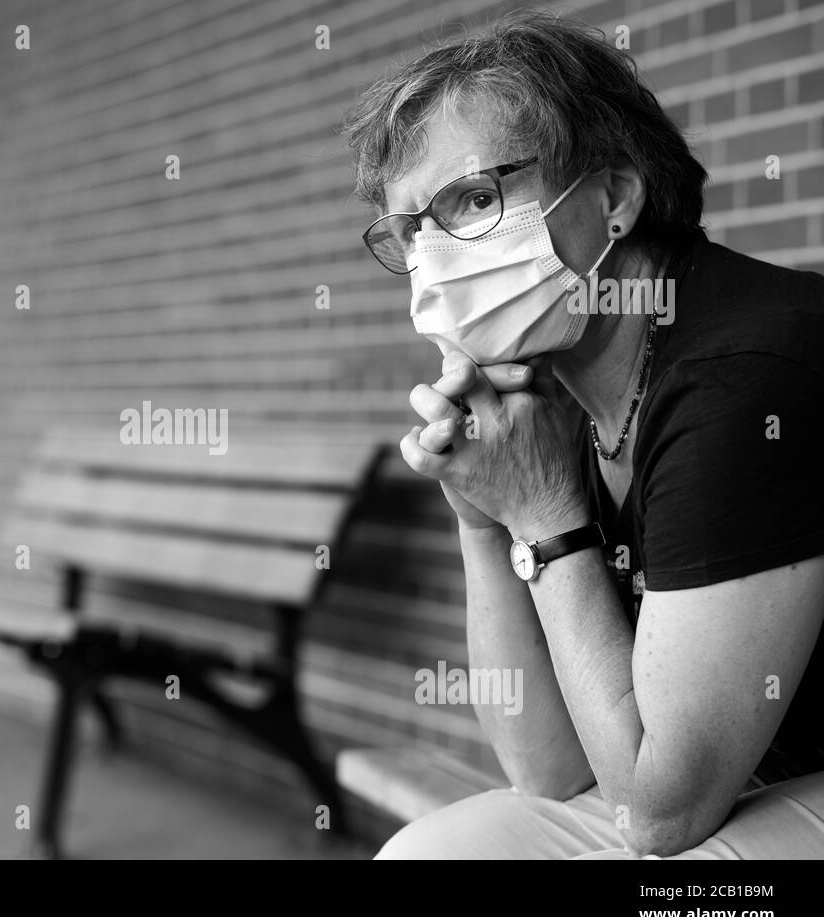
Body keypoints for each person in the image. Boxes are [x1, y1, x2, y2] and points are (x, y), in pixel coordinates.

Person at [340, 9, 824, 858]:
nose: (434, 258)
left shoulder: (742, 376)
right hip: (734, 787)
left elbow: (660, 814)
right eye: (411, 229)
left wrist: (542, 515)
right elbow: (546, 766)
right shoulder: (561, 380)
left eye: (475, 200)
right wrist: (482, 513)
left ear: (613, 199)